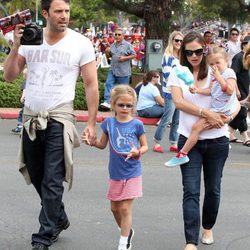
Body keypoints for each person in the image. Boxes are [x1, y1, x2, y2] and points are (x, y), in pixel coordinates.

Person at [3, 1, 99, 250]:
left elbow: (90, 84)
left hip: (60, 118)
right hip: (32, 117)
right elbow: (10, 76)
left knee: (53, 178)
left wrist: (91, 122)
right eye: (58, 11)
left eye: (67, 11)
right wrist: (16, 44)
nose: (64, 16)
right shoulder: (30, 39)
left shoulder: (81, 43)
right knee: (36, 173)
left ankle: (44, 235)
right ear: (45, 13)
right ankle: (59, 216)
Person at [166, 31, 240, 250]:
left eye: (198, 51)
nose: (194, 56)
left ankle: (207, 226)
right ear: (182, 53)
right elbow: (178, 102)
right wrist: (206, 114)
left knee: (213, 189)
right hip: (189, 139)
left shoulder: (218, 71)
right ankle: (190, 240)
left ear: (204, 50)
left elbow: (235, 101)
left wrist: (227, 118)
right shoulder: (177, 73)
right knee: (190, 190)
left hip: (217, 141)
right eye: (189, 52)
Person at [82, 85, 148, 250]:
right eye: (121, 105)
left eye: (129, 105)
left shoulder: (137, 124)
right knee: (114, 208)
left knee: (125, 208)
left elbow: (145, 146)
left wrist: (137, 152)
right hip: (115, 172)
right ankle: (127, 231)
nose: (125, 108)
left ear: (134, 106)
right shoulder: (109, 123)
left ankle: (123, 243)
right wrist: (91, 142)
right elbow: (102, 144)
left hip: (132, 171)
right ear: (113, 104)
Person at [165, 46, 239, 167]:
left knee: (196, 128)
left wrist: (219, 77)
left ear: (226, 60)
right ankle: (183, 154)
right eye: (212, 64)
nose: (215, 66)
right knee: (196, 128)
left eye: (218, 63)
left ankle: (182, 154)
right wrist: (197, 90)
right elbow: (211, 91)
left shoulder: (229, 73)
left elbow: (230, 91)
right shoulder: (215, 76)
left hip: (222, 110)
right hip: (215, 110)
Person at [153, 31, 184, 153]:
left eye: (181, 41)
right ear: (172, 41)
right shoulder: (168, 56)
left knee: (177, 119)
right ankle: (157, 142)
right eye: (176, 40)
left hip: (181, 91)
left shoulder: (182, 57)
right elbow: (166, 73)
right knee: (167, 118)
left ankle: (174, 143)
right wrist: (181, 76)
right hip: (170, 91)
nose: (179, 43)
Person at [100, 27, 136, 110]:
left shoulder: (127, 45)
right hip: (113, 69)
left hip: (123, 71)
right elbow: (110, 57)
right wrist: (107, 53)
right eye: (115, 34)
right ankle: (107, 102)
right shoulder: (112, 45)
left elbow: (134, 55)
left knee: (123, 90)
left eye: (119, 34)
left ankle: (124, 105)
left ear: (123, 36)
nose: (117, 36)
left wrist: (124, 58)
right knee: (109, 83)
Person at [228, 36, 250, 146]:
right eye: (246, 43)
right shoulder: (238, 57)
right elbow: (233, 74)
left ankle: (229, 132)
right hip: (239, 90)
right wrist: (236, 90)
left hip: (246, 89)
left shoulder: (247, 58)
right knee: (242, 112)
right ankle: (245, 137)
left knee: (239, 113)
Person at [11, 68, 27, 134]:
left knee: (22, 113)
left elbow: (25, 90)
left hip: (26, 101)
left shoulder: (25, 82)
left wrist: (22, 97)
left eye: (24, 75)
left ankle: (20, 126)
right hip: (31, 102)